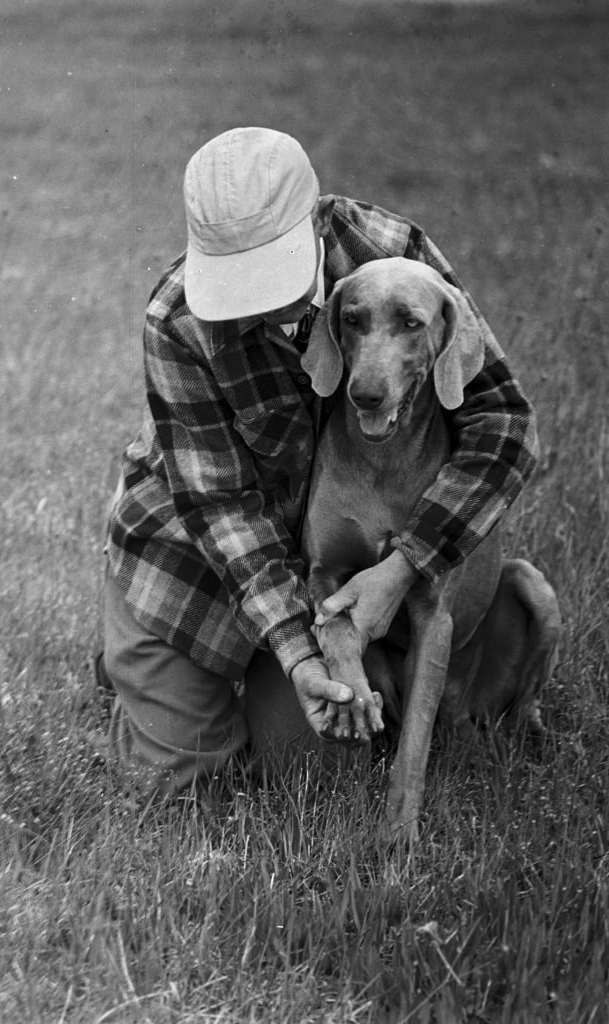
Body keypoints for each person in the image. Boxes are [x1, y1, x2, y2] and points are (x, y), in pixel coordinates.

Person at [98, 126, 538, 797]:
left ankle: (238, 686)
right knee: (183, 782)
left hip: (327, 579)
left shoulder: (390, 257)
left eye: (268, 273)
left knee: (313, 771)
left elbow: (503, 422)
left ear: (314, 223)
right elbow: (221, 511)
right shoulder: (175, 319)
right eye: (234, 279)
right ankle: (133, 663)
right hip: (196, 563)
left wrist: (406, 566)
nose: (257, 303)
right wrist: (298, 652)